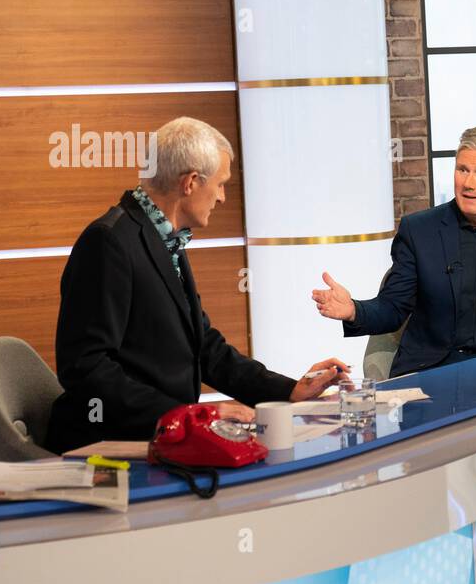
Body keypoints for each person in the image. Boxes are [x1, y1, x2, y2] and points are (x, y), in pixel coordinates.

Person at [44, 117, 348, 453]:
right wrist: (188, 415)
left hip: (164, 436)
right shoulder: (108, 242)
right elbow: (85, 368)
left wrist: (289, 391)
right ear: (190, 182)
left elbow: (204, 349)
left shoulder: (166, 240)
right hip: (114, 443)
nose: (221, 197)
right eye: (220, 184)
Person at [312, 124, 476, 377]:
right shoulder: (419, 231)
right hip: (434, 371)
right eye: (462, 170)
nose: (468, 183)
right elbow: (393, 307)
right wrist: (354, 310)